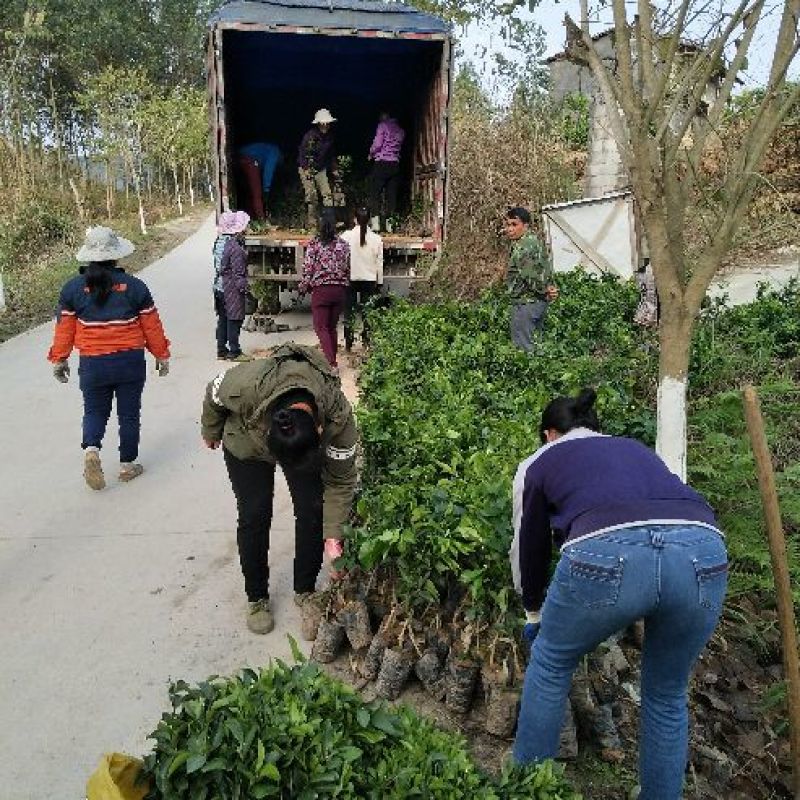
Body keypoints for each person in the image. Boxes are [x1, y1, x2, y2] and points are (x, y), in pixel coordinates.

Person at [509, 388, 728, 800]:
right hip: (704, 551)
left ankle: (527, 789)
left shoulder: (539, 461)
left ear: (549, 434)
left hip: (609, 551)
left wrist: (533, 612)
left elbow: (530, 545)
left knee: (552, 662)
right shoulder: (635, 449)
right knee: (666, 693)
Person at [200, 342, 356, 634]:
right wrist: (210, 429)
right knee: (254, 514)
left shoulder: (337, 415)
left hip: (300, 444)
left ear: (319, 430)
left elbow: (341, 480)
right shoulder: (247, 384)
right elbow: (213, 392)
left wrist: (334, 540)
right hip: (246, 441)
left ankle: (305, 589)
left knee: (312, 507)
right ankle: (256, 597)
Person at [47, 226, 171, 490]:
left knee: (94, 411)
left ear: (89, 256)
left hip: (93, 363)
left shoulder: (72, 289)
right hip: (130, 362)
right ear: (117, 256)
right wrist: (162, 355)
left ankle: (91, 450)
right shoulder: (135, 287)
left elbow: (64, 329)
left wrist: (59, 359)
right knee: (129, 414)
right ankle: (127, 466)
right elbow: (152, 327)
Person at [298, 211, 350, 370]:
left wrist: (303, 286)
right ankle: (332, 358)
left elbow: (308, 269)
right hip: (339, 290)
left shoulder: (314, 244)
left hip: (321, 291)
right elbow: (347, 267)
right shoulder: (343, 244)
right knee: (331, 327)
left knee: (321, 328)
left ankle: (331, 363)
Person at [504, 207, 558, 351]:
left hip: (526, 304)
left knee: (523, 350)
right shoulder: (534, 241)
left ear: (525, 225)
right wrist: (549, 288)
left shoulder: (523, 247)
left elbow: (530, 276)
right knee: (536, 344)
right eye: (508, 225)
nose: (509, 229)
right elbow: (545, 268)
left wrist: (544, 290)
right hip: (538, 303)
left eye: (514, 225)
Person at [339, 206, 383, 351]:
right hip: (369, 280)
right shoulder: (377, 239)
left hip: (350, 279)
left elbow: (340, 259)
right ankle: (367, 341)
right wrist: (380, 282)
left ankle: (348, 343)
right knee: (367, 312)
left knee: (349, 312)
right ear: (370, 220)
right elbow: (379, 263)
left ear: (354, 219)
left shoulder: (345, 237)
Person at [213, 210, 252, 363]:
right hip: (231, 288)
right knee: (234, 319)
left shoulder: (219, 241)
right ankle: (234, 351)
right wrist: (246, 291)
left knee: (222, 318)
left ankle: (221, 350)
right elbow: (238, 274)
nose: (246, 229)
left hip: (218, 286)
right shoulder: (234, 247)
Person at [298, 108, 337, 230]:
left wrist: (334, 168)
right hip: (306, 167)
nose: (325, 125)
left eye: (327, 122)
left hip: (321, 168)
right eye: (323, 122)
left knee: (327, 194)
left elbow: (331, 155)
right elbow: (302, 154)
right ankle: (312, 224)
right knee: (312, 195)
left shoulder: (330, 137)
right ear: (319, 123)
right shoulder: (310, 136)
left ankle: (329, 223)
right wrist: (306, 169)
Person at [368, 112, 405, 232]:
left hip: (382, 163)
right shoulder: (400, 130)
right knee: (391, 196)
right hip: (395, 164)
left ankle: (376, 224)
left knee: (375, 194)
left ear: (384, 115)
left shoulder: (382, 126)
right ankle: (390, 226)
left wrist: (371, 153)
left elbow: (378, 144)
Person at [238, 142, 282, 220]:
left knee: (250, 191)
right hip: (250, 160)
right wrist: (266, 190)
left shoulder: (268, 149)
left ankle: (251, 217)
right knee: (257, 193)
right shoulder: (275, 153)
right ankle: (261, 219)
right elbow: (268, 171)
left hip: (240, 157)